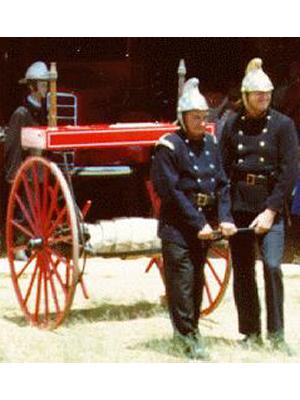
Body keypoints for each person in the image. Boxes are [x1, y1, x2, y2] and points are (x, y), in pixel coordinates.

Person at [151, 78, 237, 359]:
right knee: (182, 283)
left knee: (197, 280)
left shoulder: (211, 143)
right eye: (196, 118)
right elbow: (171, 192)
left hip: (202, 226)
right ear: (183, 118)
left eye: (204, 117)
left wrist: (223, 217)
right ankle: (184, 336)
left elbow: (222, 184)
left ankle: (192, 331)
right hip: (178, 227)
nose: (202, 122)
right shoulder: (169, 147)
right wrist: (197, 222)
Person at [220, 58, 298, 351]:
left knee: (273, 265)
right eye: (258, 94)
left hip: (270, 205)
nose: (264, 98)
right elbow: (222, 172)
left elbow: (290, 171)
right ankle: (250, 333)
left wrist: (271, 210)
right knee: (242, 271)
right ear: (246, 96)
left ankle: (277, 336)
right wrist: (224, 214)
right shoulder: (231, 125)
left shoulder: (283, 125)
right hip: (240, 204)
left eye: (267, 93)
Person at [4, 61, 50, 260]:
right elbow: (12, 145)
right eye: (41, 84)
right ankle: (18, 246)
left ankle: (34, 243)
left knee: (39, 211)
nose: (45, 88)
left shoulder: (47, 111)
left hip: (42, 168)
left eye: (46, 84)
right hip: (27, 169)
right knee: (25, 209)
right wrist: (14, 174)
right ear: (32, 86)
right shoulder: (21, 113)